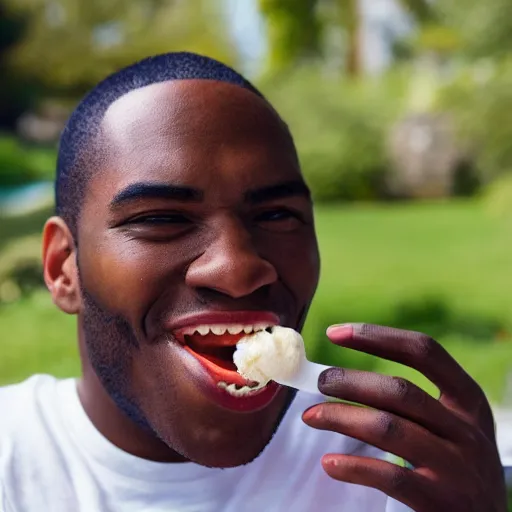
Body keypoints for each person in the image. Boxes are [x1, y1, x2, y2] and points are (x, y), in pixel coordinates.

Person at [0, 52, 507, 512]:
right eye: (161, 218)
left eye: (278, 215)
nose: (240, 270)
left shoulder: (397, 480)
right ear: (63, 267)